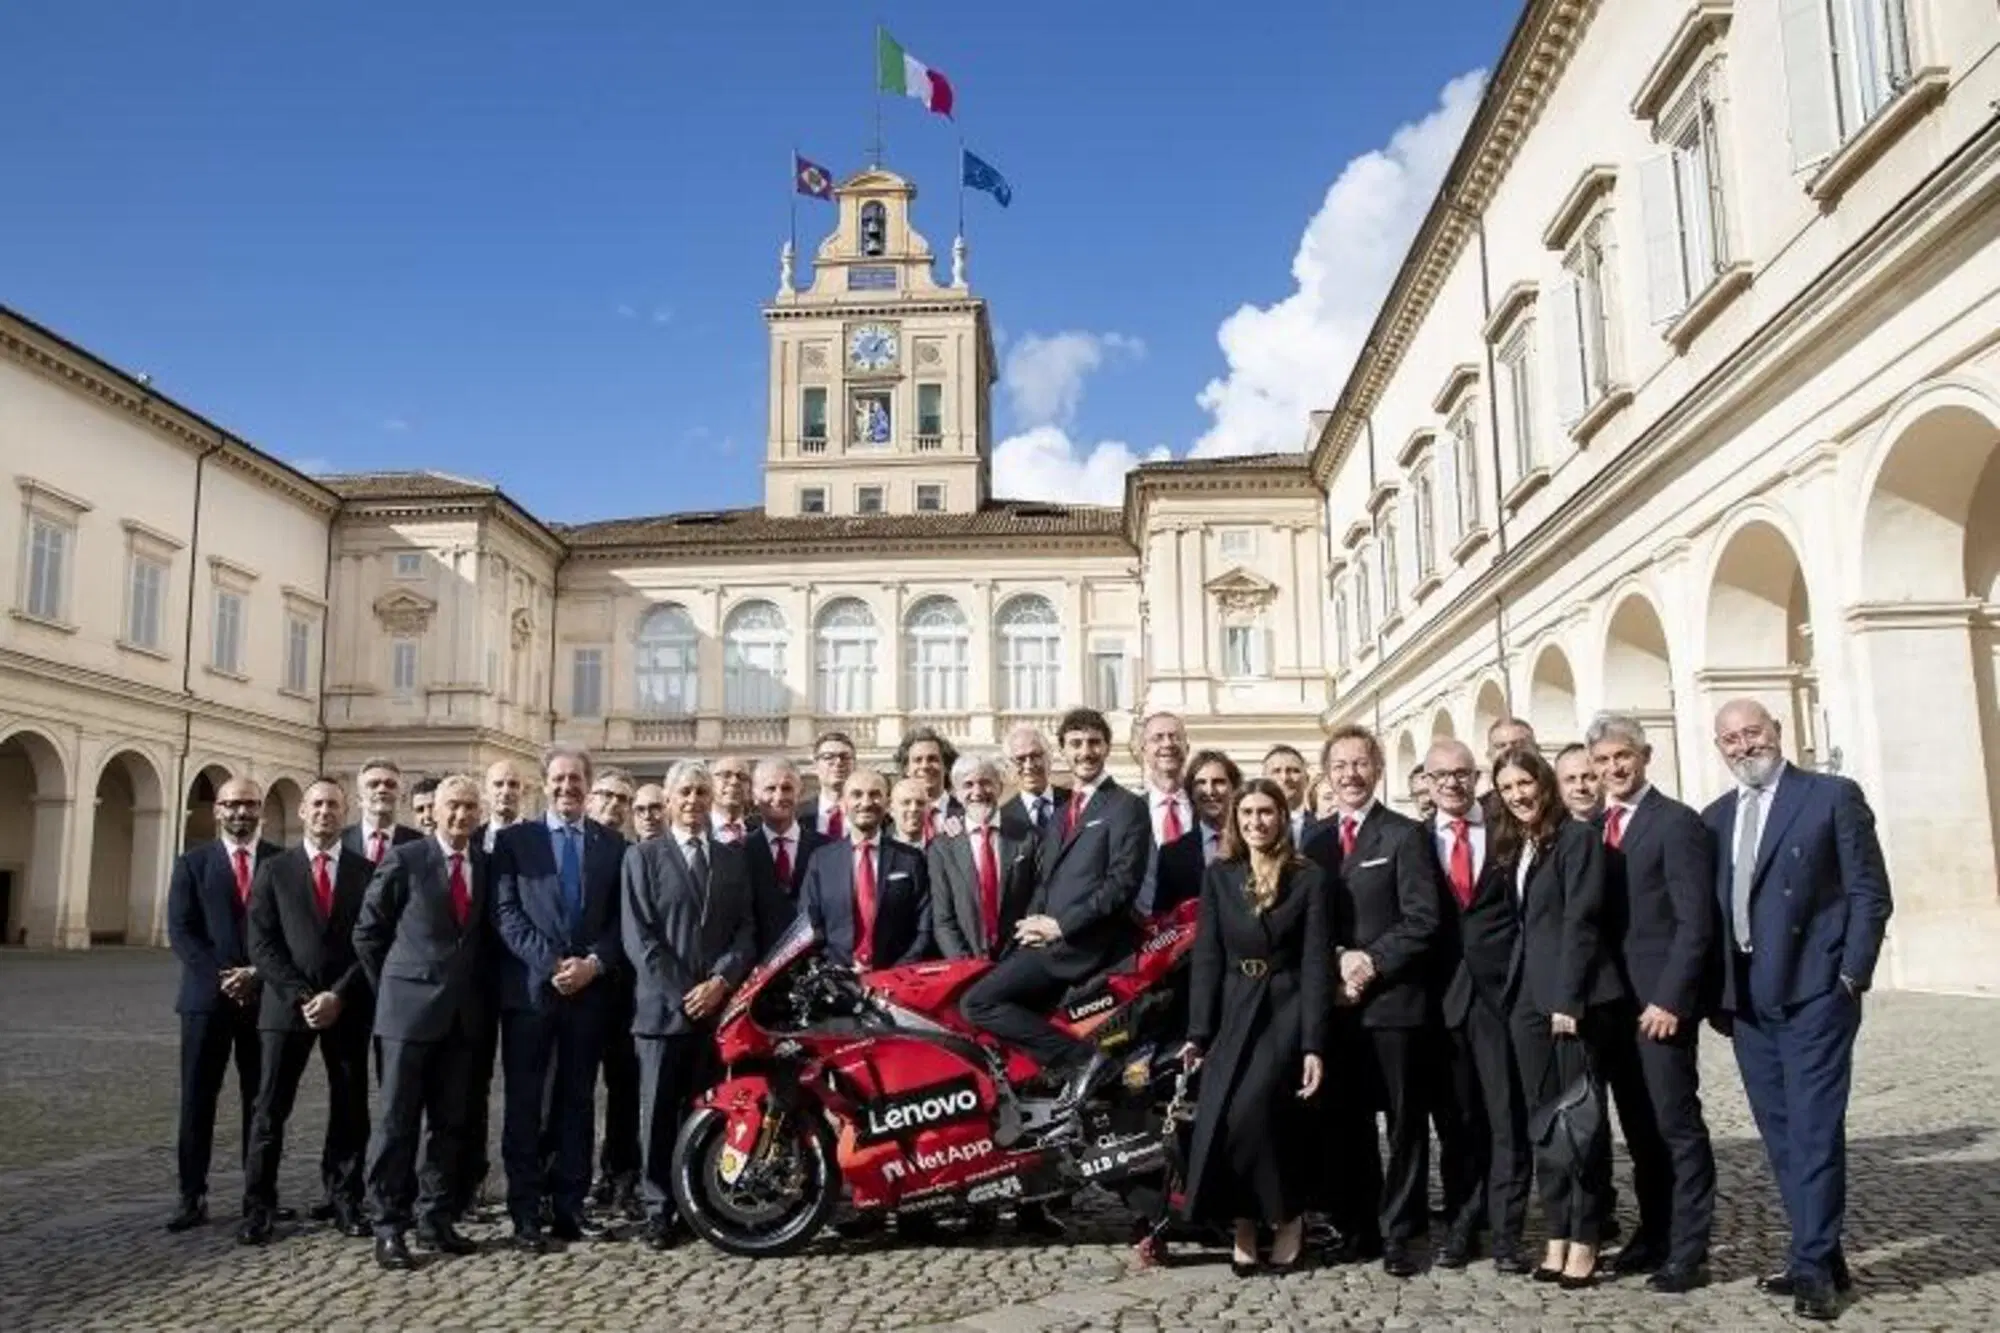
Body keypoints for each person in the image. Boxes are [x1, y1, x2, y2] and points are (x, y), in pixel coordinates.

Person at [1703, 699, 1891, 1323]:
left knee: (1813, 1128)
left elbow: (1870, 891)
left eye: (1751, 732)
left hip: (1815, 991)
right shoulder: (1716, 818)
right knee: (1781, 1134)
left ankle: (1812, 1266)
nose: (1741, 746)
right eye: (1728, 739)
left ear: (1777, 732)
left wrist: (1851, 975)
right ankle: (1822, 1249)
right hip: (1750, 1001)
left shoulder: (1830, 796)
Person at [1586, 712, 1717, 1292]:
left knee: (1676, 1127)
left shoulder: (1676, 823)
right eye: (1604, 760)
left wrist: (1671, 999)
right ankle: (1654, 1232)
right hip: (1612, 1006)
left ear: (1645, 756)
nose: (1614, 768)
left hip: (1659, 1006)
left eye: (1624, 757)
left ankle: (1689, 1248)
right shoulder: (1592, 826)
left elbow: (1696, 923)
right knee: (1638, 1130)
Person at [961, 707, 1150, 1104]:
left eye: (1094, 743)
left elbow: (1121, 885)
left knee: (978, 1003)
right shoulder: (1064, 810)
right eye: (1076, 744)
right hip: (1047, 941)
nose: (1086, 752)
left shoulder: (1126, 806)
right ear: (1063, 751)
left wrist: (1060, 926)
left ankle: (1086, 1062)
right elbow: (1047, 881)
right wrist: (1030, 925)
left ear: (1106, 747)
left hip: (1084, 945)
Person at [1304, 725, 1439, 1278]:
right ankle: (1358, 1225)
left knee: (1404, 1122)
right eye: (1340, 765)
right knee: (1347, 1122)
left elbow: (1423, 918)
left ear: (1377, 769)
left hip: (1393, 1002)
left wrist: (1370, 961)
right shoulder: (1311, 840)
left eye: (1360, 764)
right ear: (1328, 774)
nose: (1350, 774)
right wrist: (1335, 957)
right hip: (1335, 1006)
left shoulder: (1404, 835)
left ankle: (1403, 1231)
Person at [1180, 779, 1329, 1276]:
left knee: (1260, 1113)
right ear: (1234, 821)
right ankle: (1245, 1223)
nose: (1255, 822)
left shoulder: (1309, 878)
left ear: (1282, 818)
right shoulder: (1220, 875)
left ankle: (1287, 1220)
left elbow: (1314, 963)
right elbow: (1207, 956)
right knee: (1227, 1119)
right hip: (1233, 1009)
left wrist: (1314, 1042)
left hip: (1285, 1009)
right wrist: (1197, 1033)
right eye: (1246, 814)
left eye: (1266, 812)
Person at [1490, 745, 1623, 1289]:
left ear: (1544, 782)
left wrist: (1569, 1000)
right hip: (1526, 998)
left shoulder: (1578, 838)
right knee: (1544, 1125)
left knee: (1580, 1125)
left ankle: (1586, 1236)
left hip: (1571, 1000)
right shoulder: (1524, 843)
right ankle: (1557, 1233)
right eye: (1507, 789)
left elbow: (1581, 921)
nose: (1519, 796)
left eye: (1525, 784)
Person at [491, 744, 628, 1252]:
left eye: (576, 780)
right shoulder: (514, 841)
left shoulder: (612, 844)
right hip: (531, 994)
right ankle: (525, 1211)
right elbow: (505, 913)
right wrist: (551, 964)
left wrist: (593, 963)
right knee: (525, 1105)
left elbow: (620, 920)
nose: (568, 787)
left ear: (588, 786)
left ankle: (570, 1205)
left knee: (576, 1103)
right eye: (559, 779)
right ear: (543, 783)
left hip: (590, 994)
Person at [353, 774, 492, 1270]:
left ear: (480, 814)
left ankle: (436, 1217)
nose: (461, 815)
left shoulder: (487, 866)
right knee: (396, 1124)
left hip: (462, 1020)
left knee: (450, 1124)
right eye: (453, 805)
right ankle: (388, 1225)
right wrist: (394, 988)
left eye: (470, 807)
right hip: (406, 1016)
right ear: (434, 810)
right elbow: (368, 933)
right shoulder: (407, 860)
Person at [621, 760, 757, 1250]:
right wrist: (687, 993)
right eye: (686, 792)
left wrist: (720, 982)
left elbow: (746, 930)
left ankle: (698, 1200)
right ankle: (658, 1208)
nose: (695, 801)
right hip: (663, 1013)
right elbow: (641, 939)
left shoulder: (730, 858)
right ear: (671, 798)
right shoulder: (644, 857)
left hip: (717, 1011)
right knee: (657, 1116)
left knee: (707, 1112)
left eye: (702, 792)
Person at [241, 778, 375, 1244]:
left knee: (350, 1107)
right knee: (269, 1109)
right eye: (317, 804)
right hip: (285, 1008)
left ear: (346, 812)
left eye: (334, 805)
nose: (325, 812)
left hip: (348, 1006)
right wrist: (302, 994)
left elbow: (372, 942)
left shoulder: (366, 871)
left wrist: (337, 994)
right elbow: (261, 943)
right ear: (302, 811)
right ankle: (258, 1206)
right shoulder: (275, 870)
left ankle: (345, 1199)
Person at [1425, 739, 1532, 1275]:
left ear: (1476, 778)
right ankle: (1463, 1223)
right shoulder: (1414, 841)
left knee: (1507, 1117)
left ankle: (1508, 1233)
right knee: (1458, 1122)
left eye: (1462, 773)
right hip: (1442, 1001)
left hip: (1502, 995)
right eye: (1441, 774)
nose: (1452, 783)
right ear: (1426, 780)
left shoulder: (1510, 831)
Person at [165, 776, 281, 1233]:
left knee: (262, 1102)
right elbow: (181, 931)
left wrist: (256, 973)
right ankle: (191, 1195)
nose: (240, 812)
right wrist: (223, 976)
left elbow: (286, 932)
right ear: (216, 810)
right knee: (197, 1100)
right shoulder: (191, 864)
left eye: (249, 804)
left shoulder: (280, 862)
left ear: (262, 811)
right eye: (231, 804)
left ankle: (259, 1197)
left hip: (263, 999)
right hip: (204, 1000)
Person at [800, 769, 933, 967]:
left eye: (875, 794)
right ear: (843, 804)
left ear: (887, 805)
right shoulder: (821, 860)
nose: (866, 802)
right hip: (837, 981)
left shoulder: (911, 859)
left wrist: (900, 969)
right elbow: (809, 925)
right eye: (857, 794)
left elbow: (924, 926)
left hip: (896, 979)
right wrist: (832, 969)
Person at [929, 754, 1035, 962]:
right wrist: (967, 965)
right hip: (967, 964)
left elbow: (1038, 900)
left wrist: (1021, 957)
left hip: (1019, 961)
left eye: (986, 782)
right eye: (968, 785)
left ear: (999, 786)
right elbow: (943, 920)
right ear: (957, 793)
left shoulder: (1029, 837)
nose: (977, 792)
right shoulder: (942, 847)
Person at [744, 757, 822, 952]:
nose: (779, 797)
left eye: (787, 788)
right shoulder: (738, 852)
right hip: (757, 966)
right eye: (770, 789)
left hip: (815, 963)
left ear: (799, 793)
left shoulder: (826, 849)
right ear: (755, 796)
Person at [1153, 749, 1238, 915]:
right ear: (1191, 792)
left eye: (1219, 782)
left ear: (1234, 788)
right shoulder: (1171, 854)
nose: (1210, 791)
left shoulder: (1254, 844)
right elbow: (1162, 917)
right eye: (1201, 783)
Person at [1135, 711, 1192, 913]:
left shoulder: (1206, 808)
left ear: (1187, 747)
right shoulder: (1129, 811)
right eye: (1157, 738)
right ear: (1144, 750)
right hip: (1144, 932)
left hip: (1201, 931)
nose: (1167, 744)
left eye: (1175, 736)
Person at [343, 758, 421, 866]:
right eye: (373, 784)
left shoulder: (419, 843)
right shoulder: (339, 840)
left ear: (402, 798)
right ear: (359, 799)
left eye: (390, 785)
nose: (382, 790)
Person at [896, 726, 965, 842]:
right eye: (918, 760)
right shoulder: (891, 822)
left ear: (947, 766)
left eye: (932, 759)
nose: (925, 766)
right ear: (906, 769)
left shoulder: (965, 813)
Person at [998, 723, 1063, 840]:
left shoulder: (1075, 803)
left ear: (1048, 758)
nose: (1029, 765)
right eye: (1020, 759)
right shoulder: (1002, 820)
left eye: (1035, 756)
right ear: (1009, 766)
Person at [802, 731, 856, 839]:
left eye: (845, 757)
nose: (838, 762)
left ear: (854, 764)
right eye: (828, 757)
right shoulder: (798, 816)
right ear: (815, 765)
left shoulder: (870, 813)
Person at [1262, 744, 1316, 845]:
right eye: (1276, 771)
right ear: (1264, 779)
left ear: (1307, 779)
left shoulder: (1323, 826)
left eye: (1294, 771)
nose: (1285, 778)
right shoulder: (1252, 826)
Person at [481, 760, 525, 854]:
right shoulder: (472, 840)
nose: (506, 792)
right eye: (498, 784)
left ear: (522, 791)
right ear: (486, 791)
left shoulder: (541, 838)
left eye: (513, 784)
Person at [709, 756, 756, 844]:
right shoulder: (697, 830)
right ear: (709, 782)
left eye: (742, 777)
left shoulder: (760, 835)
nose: (734, 781)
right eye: (726, 775)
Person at [1555, 744, 1603, 820]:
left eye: (1589, 777)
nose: (1580, 787)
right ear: (1558, 786)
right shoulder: (1548, 830)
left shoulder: (1621, 826)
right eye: (1570, 779)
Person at [588, 767, 634, 835]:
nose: (615, 802)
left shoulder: (631, 845)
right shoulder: (571, 841)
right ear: (589, 800)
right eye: (607, 795)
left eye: (622, 798)